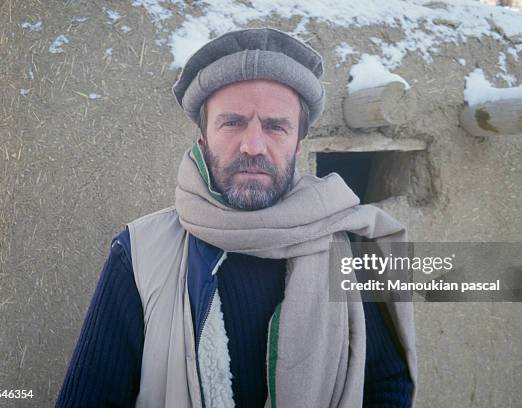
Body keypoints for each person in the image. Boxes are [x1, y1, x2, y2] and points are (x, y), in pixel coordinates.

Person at [56, 27, 416, 408]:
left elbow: (385, 382)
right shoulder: (139, 254)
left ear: (298, 144)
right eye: (232, 123)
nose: (253, 146)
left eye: (276, 127)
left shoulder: (347, 245)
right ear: (203, 139)